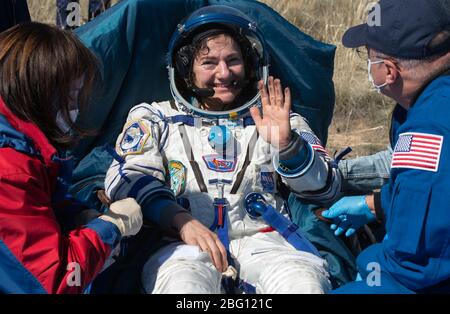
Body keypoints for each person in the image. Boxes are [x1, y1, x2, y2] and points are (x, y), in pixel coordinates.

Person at [105, 5, 342, 294]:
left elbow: (327, 188)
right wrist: (178, 219)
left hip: (268, 243)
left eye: (233, 60)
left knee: (303, 284)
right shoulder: (155, 118)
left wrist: (288, 146)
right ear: (185, 69)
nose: (224, 72)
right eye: (209, 63)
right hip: (182, 243)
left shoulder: (278, 118)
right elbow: (126, 179)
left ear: (250, 64)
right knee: (185, 288)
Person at [0, 22, 143, 294]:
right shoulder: (10, 171)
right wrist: (110, 228)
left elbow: (38, 207)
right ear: (40, 92)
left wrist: (76, 215)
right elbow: (60, 281)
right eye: (72, 96)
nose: (76, 108)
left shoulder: (20, 150)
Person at [319, 0, 450, 293]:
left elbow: (415, 265)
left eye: (367, 57)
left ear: (389, 71)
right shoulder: (432, 97)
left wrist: (368, 269)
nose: (366, 65)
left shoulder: (429, 131)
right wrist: (377, 204)